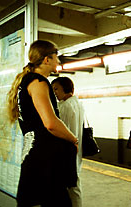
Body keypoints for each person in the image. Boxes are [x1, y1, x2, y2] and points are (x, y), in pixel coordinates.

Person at [7, 40, 78, 207]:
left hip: (33, 155)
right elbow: (50, 123)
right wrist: (73, 138)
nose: (58, 62)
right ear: (47, 59)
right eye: (56, 58)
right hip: (45, 158)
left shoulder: (25, 82)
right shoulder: (38, 82)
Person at [51, 77, 84, 207]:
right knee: (75, 185)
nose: (54, 93)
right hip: (76, 151)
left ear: (66, 88)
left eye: (56, 89)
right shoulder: (77, 103)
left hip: (66, 151)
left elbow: (60, 130)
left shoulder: (65, 106)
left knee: (70, 187)